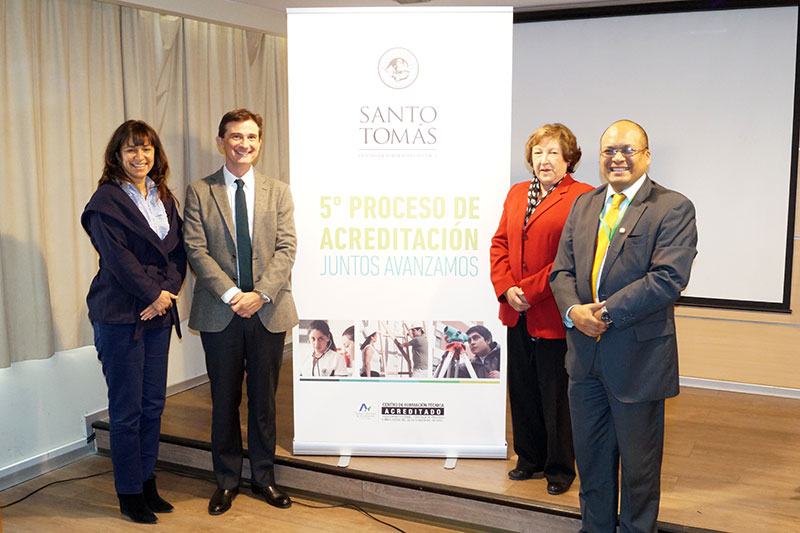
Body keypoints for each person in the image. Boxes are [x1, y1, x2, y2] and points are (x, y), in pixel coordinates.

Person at [550, 120, 697, 531]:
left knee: (639, 472)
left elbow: (668, 278)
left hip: (638, 362)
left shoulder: (673, 207)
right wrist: (573, 311)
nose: (617, 158)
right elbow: (561, 271)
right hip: (584, 361)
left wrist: (604, 314)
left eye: (627, 150)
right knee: (592, 464)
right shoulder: (584, 205)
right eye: (609, 151)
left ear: (646, 156)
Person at [183, 109, 298, 515]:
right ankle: (227, 481)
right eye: (235, 136)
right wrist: (234, 295)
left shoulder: (278, 191)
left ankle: (264, 478)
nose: (243, 144)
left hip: (268, 310)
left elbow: (287, 248)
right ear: (221, 142)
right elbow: (195, 248)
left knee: (264, 401)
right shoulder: (200, 191)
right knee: (224, 399)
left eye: (251, 137)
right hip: (221, 312)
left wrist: (260, 294)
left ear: (259, 143)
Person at [82, 120, 186, 524]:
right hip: (119, 316)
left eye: (146, 148)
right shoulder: (105, 202)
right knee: (127, 411)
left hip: (157, 314)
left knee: (153, 405)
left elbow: (177, 253)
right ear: (117, 156)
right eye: (131, 149)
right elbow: (117, 259)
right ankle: (128, 493)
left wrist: (166, 294)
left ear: (155, 154)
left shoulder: (164, 198)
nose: (140, 156)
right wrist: (152, 295)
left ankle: (146, 481)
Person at [490, 123, 593, 495]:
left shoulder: (583, 196)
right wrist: (506, 288)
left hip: (553, 312)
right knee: (522, 390)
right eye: (538, 152)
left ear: (569, 159)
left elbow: (573, 257)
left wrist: (530, 291)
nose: (544, 160)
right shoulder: (517, 192)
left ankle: (560, 469)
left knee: (556, 396)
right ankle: (529, 458)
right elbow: (500, 244)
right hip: (515, 310)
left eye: (552, 152)